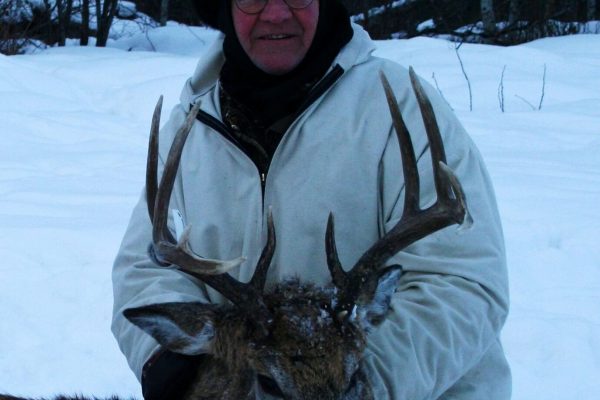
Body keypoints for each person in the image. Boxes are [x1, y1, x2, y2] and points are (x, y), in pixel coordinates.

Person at [111, 0, 511, 398]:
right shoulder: (191, 127)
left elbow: (462, 281)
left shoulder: (398, 107)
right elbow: (146, 269)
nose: (276, 13)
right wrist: (175, 365)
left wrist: (363, 382)